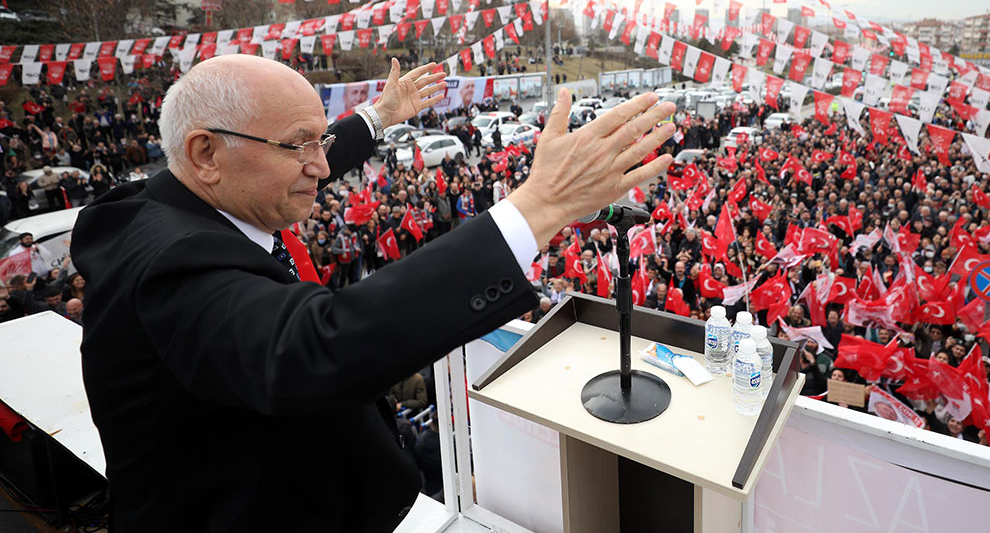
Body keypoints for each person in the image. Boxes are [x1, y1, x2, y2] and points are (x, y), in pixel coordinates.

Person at [71, 54, 676, 532]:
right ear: (206, 153)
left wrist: (377, 118)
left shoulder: (166, 202)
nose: (323, 167)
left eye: (322, 142)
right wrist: (538, 208)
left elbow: (276, 149)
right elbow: (314, 345)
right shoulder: (173, 265)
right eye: (302, 145)